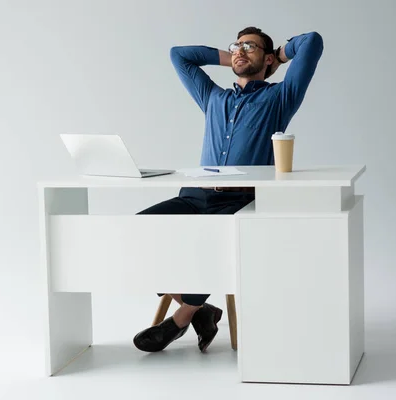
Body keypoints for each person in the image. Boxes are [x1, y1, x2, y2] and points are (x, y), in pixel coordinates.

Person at [132, 27, 323, 353]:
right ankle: (202, 309)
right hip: (194, 195)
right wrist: (234, 56)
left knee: (214, 243)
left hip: (239, 201)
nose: (240, 50)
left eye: (250, 46)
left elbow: (312, 42)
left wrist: (278, 56)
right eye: (237, 45)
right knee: (134, 232)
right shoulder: (213, 97)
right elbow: (180, 54)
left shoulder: (279, 98)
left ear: (265, 58)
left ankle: (183, 316)